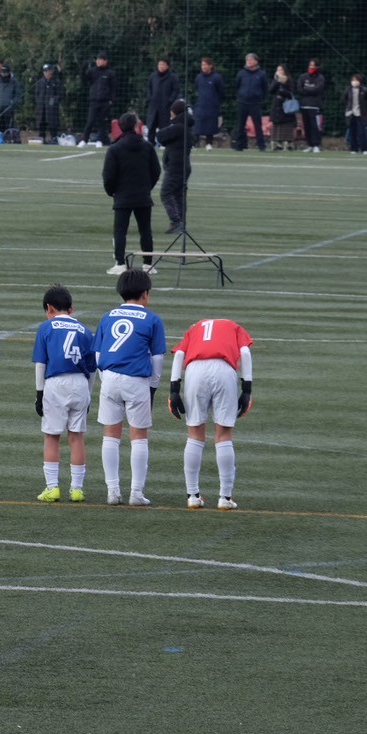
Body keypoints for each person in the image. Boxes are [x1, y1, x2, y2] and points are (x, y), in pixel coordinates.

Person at [96, 269, 166, 507]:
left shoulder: (107, 317)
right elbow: (157, 358)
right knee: (139, 437)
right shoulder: (152, 319)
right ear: (145, 294)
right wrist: (153, 386)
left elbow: (98, 355)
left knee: (110, 434)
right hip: (137, 380)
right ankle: (136, 492)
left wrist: (105, 377)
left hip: (110, 378)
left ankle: (112, 491)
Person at [169, 316, 254, 511]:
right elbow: (245, 353)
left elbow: (179, 354)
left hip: (195, 371)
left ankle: (192, 496)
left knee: (194, 433)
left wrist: (174, 389)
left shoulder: (195, 328)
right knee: (223, 434)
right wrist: (247, 389)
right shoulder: (234, 326)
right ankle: (225, 497)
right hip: (224, 369)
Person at [32, 285, 97, 503]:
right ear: (71, 309)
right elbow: (92, 368)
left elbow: (41, 363)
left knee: (52, 436)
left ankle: (52, 488)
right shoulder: (85, 330)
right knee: (77, 436)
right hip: (80, 383)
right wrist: (89, 394)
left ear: (49, 308)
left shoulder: (46, 327)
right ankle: (77, 489)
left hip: (56, 383)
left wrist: (39, 394)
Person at [102, 112, 161, 275]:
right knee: (145, 230)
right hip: (142, 195)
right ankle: (148, 264)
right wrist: (147, 187)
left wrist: (112, 191)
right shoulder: (147, 146)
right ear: (136, 126)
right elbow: (156, 171)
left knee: (120, 230)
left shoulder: (115, 149)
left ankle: (120, 263)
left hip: (122, 195)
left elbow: (108, 175)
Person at [156, 99, 193, 234]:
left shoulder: (178, 127)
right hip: (183, 165)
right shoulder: (186, 127)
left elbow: (160, 136)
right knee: (178, 194)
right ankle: (181, 222)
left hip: (176, 166)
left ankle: (176, 221)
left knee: (166, 193)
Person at [233, 53, 269, 151]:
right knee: (240, 124)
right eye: (247, 60)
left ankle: (261, 145)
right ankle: (240, 145)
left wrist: (259, 98)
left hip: (255, 103)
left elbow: (265, 88)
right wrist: (240, 96)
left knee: (258, 125)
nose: (248, 61)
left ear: (256, 61)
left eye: (251, 59)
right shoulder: (241, 73)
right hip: (242, 102)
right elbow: (237, 86)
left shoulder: (261, 74)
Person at [82, 52, 116, 147]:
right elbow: (85, 79)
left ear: (105, 61)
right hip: (93, 101)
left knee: (102, 122)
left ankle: (99, 140)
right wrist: (84, 69)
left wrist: (111, 100)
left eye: (100, 60)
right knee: (90, 121)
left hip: (105, 102)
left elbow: (113, 88)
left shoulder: (110, 73)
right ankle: (84, 140)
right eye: (97, 59)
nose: (98, 61)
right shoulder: (92, 71)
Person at [193, 56, 226, 149]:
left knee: (210, 125)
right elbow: (196, 89)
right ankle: (194, 143)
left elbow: (222, 92)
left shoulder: (217, 78)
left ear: (210, 66)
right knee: (197, 125)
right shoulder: (199, 77)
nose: (203, 66)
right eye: (202, 65)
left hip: (212, 106)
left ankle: (209, 144)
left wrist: (216, 102)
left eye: (205, 65)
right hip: (200, 105)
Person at [295, 58, 327, 151]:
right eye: (310, 65)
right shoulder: (303, 76)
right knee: (306, 126)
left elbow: (318, 89)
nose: (311, 67)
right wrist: (309, 90)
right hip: (304, 105)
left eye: (313, 65)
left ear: (317, 66)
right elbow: (299, 88)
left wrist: (307, 89)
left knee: (314, 126)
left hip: (314, 105)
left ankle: (316, 145)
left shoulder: (320, 77)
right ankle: (310, 145)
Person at [145, 57, 180, 143]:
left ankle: (164, 143)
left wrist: (170, 100)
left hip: (166, 106)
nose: (161, 66)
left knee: (164, 126)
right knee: (151, 126)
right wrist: (150, 98)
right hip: (154, 106)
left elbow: (176, 90)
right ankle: (150, 143)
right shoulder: (153, 76)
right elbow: (149, 87)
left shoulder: (172, 77)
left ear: (167, 66)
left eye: (163, 64)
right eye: (160, 64)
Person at [341, 73, 367, 154]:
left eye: (356, 80)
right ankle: (354, 149)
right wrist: (348, 108)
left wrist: (366, 108)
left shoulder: (364, 90)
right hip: (351, 114)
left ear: (360, 81)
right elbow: (344, 99)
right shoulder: (348, 90)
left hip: (361, 114)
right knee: (352, 132)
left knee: (361, 132)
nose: (354, 82)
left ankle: (364, 149)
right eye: (353, 80)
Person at [269, 65, 298, 151]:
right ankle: (277, 143)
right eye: (277, 69)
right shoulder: (275, 80)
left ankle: (287, 143)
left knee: (286, 124)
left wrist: (282, 91)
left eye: (280, 69)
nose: (278, 71)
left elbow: (291, 93)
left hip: (286, 105)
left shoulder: (289, 80)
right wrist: (277, 82)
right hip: (276, 105)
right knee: (276, 124)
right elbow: (271, 90)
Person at [33, 63, 64, 144]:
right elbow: (36, 94)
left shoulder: (56, 82)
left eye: (48, 71)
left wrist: (52, 102)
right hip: (41, 108)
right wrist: (39, 102)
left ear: (51, 71)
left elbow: (60, 94)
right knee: (41, 124)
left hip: (51, 109)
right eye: (45, 71)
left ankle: (54, 138)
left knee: (52, 124)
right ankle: (42, 138)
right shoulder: (40, 82)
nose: (46, 73)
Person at [0, 60, 22, 135]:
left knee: (9, 126)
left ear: (9, 72)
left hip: (9, 108)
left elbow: (18, 94)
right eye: (2, 72)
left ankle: (9, 137)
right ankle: (1, 138)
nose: (3, 74)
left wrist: (13, 102)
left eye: (5, 72)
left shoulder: (14, 82)